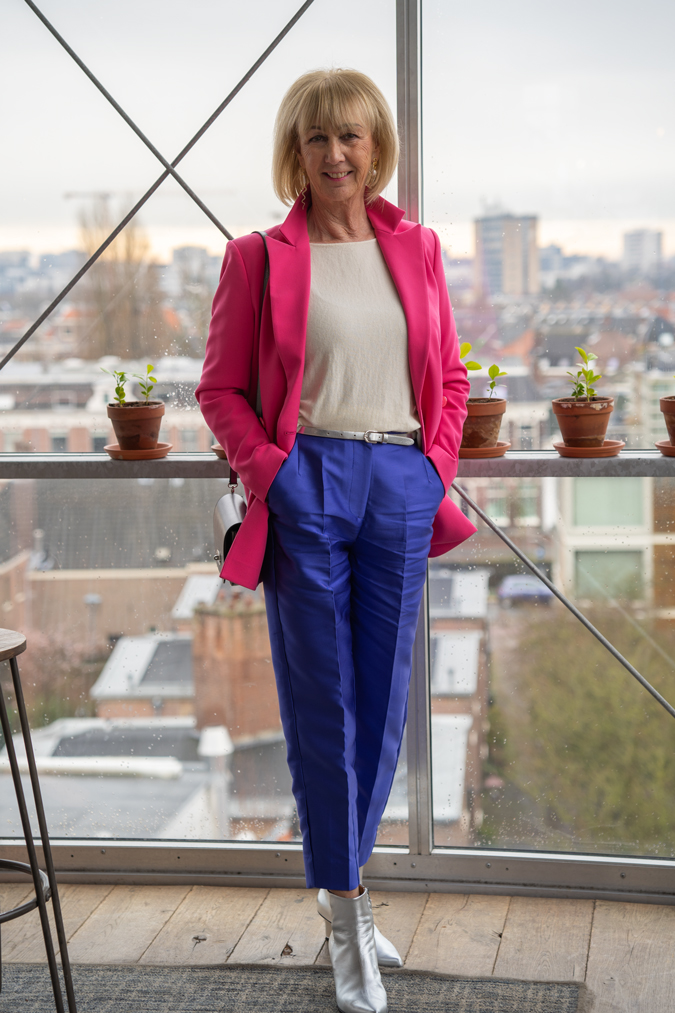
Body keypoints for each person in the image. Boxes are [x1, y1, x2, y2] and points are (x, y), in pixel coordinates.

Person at [196, 68, 476, 1013]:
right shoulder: (259, 257)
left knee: (384, 702)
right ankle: (348, 918)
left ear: (374, 145)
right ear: (297, 152)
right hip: (306, 482)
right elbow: (219, 390)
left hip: (397, 481)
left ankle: (341, 888)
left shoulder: (419, 248)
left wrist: (431, 466)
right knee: (323, 709)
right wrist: (275, 474)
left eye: (351, 136)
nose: (336, 155)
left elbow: (449, 379)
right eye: (317, 139)